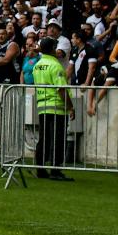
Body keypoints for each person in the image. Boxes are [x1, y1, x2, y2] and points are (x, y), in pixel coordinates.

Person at [32, 37, 75, 182]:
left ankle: (40, 169)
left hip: (42, 106)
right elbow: (61, 89)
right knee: (58, 139)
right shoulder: (55, 66)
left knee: (44, 139)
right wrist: (70, 107)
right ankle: (55, 170)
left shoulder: (37, 66)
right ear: (51, 49)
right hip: (57, 107)